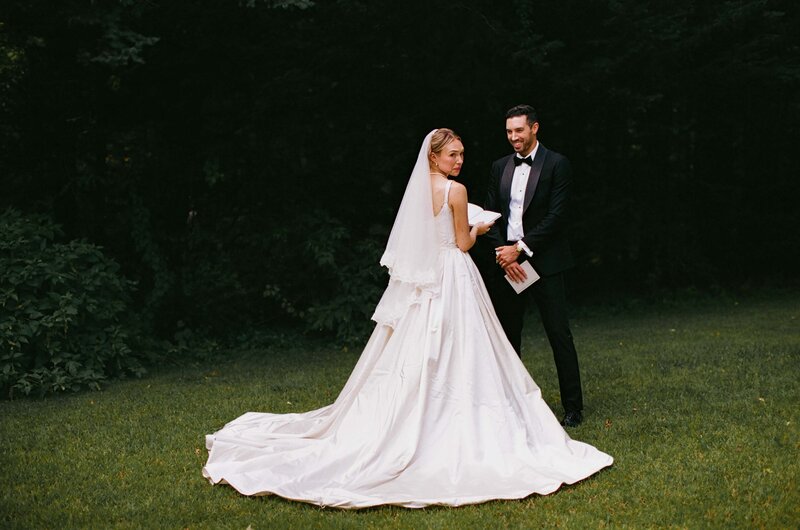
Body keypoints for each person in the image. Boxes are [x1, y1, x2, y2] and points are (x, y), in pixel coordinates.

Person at [202, 129, 612, 509]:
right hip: (452, 273)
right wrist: (481, 223)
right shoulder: (456, 190)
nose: (459, 160)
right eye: (453, 155)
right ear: (434, 157)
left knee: (427, 347)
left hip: (427, 277)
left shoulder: (420, 190)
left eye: (462, 155)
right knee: (462, 343)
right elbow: (464, 243)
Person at [481, 104, 585, 428]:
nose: (514, 137)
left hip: (546, 262)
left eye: (519, 131)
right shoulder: (500, 166)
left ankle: (573, 407)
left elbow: (558, 217)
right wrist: (504, 252)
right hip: (510, 264)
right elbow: (490, 212)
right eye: (509, 132)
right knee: (509, 334)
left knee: (558, 333)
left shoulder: (557, 164)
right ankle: (511, 404)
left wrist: (520, 250)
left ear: (535, 128)